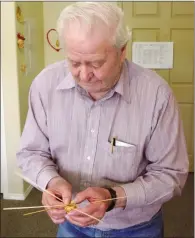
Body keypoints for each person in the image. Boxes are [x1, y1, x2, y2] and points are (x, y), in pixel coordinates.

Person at [17, 2, 189, 238]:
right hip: (71, 224)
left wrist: (113, 197)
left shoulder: (156, 95)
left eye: (96, 63)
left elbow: (171, 174)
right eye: (74, 62)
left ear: (122, 51)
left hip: (135, 228)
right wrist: (51, 182)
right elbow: (31, 153)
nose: (84, 75)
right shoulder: (45, 86)